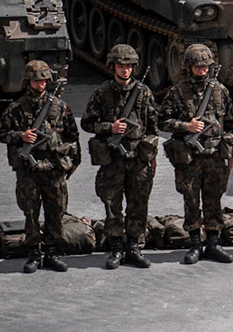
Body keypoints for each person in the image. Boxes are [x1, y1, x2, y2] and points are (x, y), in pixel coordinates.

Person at [160, 43, 233, 265]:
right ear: (189, 66)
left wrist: (230, 152)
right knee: (191, 199)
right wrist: (186, 126)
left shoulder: (220, 91)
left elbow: (230, 123)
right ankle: (195, 243)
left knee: (214, 198)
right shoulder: (178, 92)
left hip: (214, 156)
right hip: (190, 157)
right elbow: (162, 121)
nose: (202, 70)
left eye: (205, 67)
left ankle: (213, 243)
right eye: (197, 66)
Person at [83, 43, 158, 269]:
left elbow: (153, 127)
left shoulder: (144, 93)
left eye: (129, 66)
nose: (125, 70)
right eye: (121, 66)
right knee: (112, 204)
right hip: (113, 159)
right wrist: (110, 127)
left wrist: (151, 156)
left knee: (138, 203)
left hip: (138, 159)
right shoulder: (102, 93)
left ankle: (133, 246)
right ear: (112, 66)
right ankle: (116, 247)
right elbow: (87, 123)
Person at [5, 58, 78, 273]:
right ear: (28, 81)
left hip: (54, 168)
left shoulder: (60, 107)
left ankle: (52, 251)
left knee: (56, 210)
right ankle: (34, 252)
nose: (41, 84)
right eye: (36, 81)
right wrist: (20, 136)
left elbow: (72, 136)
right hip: (29, 169)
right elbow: (3, 132)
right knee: (31, 212)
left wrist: (73, 161)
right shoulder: (16, 108)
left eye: (44, 80)